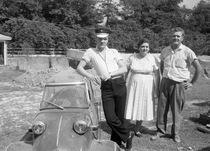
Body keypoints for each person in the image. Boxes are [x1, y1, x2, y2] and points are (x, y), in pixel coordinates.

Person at [76, 26, 134, 150]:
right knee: (110, 118)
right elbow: (79, 68)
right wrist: (91, 76)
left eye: (105, 39)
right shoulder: (90, 52)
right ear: (96, 39)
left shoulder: (114, 52)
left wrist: (110, 74)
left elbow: (124, 68)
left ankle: (116, 142)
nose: (102, 41)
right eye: (100, 39)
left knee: (119, 116)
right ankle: (128, 134)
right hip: (106, 87)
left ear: (108, 40)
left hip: (119, 83)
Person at [151, 27, 202, 143]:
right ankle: (160, 131)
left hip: (179, 84)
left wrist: (191, 83)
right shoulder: (165, 50)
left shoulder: (187, 51)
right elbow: (162, 66)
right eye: (174, 36)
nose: (175, 38)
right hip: (165, 82)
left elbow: (198, 68)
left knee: (176, 110)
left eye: (178, 36)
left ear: (182, 38)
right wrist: (164, 77)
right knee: (161, 109)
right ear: (171, 37)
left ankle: (175, 134)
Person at [125, 38, 160, 137]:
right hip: (134, 85)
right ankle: (126, 127)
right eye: (142, 46)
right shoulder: (132, 57)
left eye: (147, 47)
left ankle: (137, 128)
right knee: (131, 104)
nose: (145, 48)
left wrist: (157, 87)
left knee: (142, 105)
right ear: (138, 47)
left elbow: (157, 73)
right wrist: (123, 82)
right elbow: (126, 71)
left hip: (147, 86)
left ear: (149, 48)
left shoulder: (152, 58)